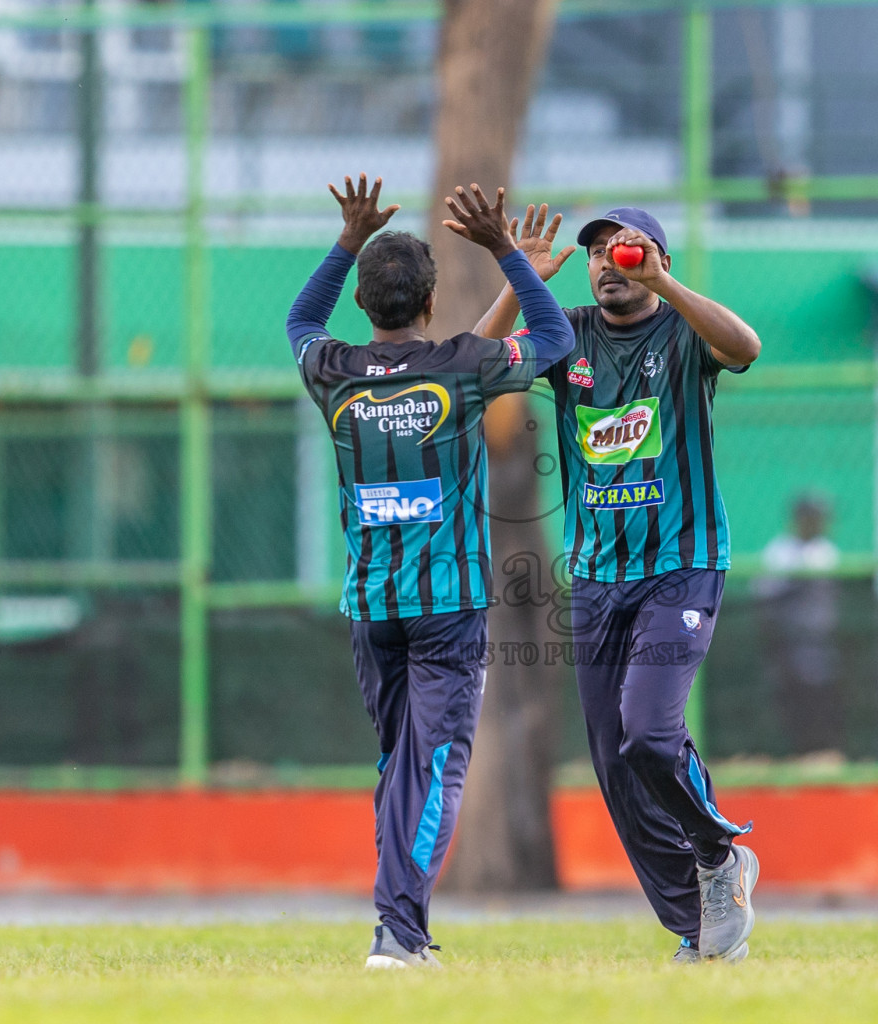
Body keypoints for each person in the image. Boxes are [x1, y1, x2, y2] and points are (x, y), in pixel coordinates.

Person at [285, 176, 574, 969]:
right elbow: (555, 345)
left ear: (367, 304)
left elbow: (300, 319)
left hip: (371, 606)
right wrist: (510, 254)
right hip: (446, 605)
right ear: (432, 297)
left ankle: (397, 925)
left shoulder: (334, 369)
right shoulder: (458, 368)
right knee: (437, 766)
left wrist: (346, 242)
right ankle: (399, 934)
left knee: (398, 766)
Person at [475, 205, 762, 963]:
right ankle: (698, 930)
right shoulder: (564, 334)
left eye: (621, 249)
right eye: (594, 251)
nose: (604, 261)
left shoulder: (679, 331)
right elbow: (471, 367)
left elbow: (746, 347)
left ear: (652, 258)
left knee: (648, 729)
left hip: (682, 567)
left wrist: (668, 284)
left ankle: (717, 854)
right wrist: (517, 279)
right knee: (616, 763)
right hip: (598, 581)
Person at [754, 494, 843, 765]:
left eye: (820, 517)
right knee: (786, 700)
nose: (817, 523)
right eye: (811, 517)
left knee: (820, 699)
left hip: (820, 643)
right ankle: (789, 756)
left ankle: (818, 755)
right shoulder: (779, 551)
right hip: (785, 643)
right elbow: (764, 594)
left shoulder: (826, 551)